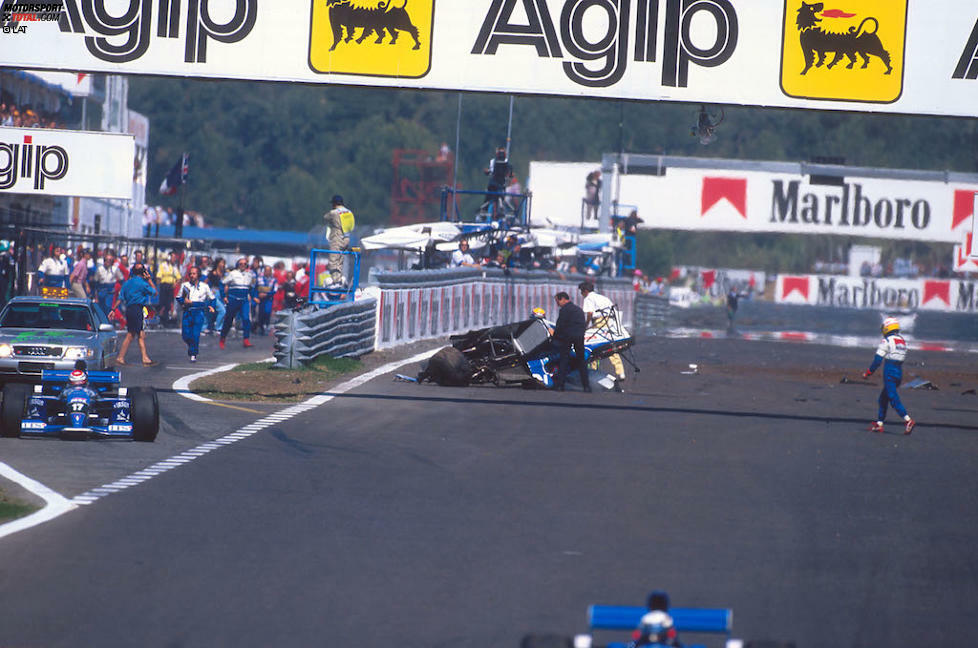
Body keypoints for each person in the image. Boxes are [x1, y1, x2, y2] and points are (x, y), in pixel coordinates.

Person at [863, 317, 915, 434]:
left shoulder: (886, 341)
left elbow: (877, 360)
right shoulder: (902, 341)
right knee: (883, 399)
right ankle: (879, 424)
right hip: (899, 371)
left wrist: (868, 372)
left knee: (892, 397)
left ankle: (908, 420)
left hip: (889, 371)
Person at [578, 281, 626, 392]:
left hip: (600, 322)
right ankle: (620, 372)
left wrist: (586, 326)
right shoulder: (603, 298)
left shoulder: (588, 298)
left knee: (594, 345)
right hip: (610, 321)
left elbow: (589, 314)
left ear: (585, 291)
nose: (581, 294)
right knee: (611, 346)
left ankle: (593, 370)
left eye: (581, 292)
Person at [117, 263, 157, 366]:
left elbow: (121, 297)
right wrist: (149, 280)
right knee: (134, 334)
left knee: (138, 333)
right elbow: (154, 292)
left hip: (129, 309)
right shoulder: (143, 283)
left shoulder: (127, 283)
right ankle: (122, 357)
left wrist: (113, 308)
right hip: (137, 308)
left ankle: (144, 357)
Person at [552, 291, 590, 392]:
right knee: (581, 361)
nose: (557, 304)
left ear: (563, 299)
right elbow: (583, 324)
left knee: (564, 360)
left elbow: (560, 325)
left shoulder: (564, 310)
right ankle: (586, 386)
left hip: (567, 337)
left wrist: (554, 338)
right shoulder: (578, 310)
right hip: (579, 337)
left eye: (557, 301)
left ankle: (560, 385)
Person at [176, 265, 215, 362]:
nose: (192, 276)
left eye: (194, 274)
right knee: (186, 335)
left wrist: (211, 306)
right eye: (190, 274)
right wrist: (183, 302)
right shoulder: (185, 285)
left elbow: (212, 298)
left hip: (198, 312)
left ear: (198, 275)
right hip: (187, 312)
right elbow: (178, 297)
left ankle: (193, 354)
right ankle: (192, 347)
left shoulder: (204, 286)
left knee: (195, 334)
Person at [220, 257, 258, 349]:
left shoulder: (250, 275)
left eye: (244, 264)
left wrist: (254, 297)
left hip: (244, 300)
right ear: (238, 265)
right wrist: (224, 296)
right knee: (229, 320)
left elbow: (252, 288)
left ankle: (246, 340)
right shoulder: (232, 274)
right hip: (233, 300)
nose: (243, 265)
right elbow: (222, 283)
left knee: (246, 319)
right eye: (241, 264)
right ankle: (223, 337)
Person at [323, 194, 355, 286]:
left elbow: (325, 217)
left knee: (333, 260)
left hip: (337, 237)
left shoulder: (334, 213)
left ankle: (336, 281)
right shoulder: (349, 212)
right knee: (340, 260)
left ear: (334, 204)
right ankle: (339, 278)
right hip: (346, 238)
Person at [483, 146, 512, 216]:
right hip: (493, 184)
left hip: (501, 185)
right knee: (490, 198)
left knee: (501, 198)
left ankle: (500, 210)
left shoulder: (506, 162)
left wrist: (509, 175)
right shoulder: (493, 161)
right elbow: (489, 170)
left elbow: (509, 173)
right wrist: (487, 171)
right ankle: (486, 211)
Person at [156, 250, 182, 327]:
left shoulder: (174, 267)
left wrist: (176, 284)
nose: (174, 259)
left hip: (171, 286)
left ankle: (165, 320)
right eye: (173, 257)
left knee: (168, 304)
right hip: (164, 285)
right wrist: (157, 286)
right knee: (162, 303)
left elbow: (179, 278)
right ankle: (161, 320)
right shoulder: (163, 265)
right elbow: (159, 276)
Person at [94, 253, 123, 318]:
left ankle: (108, 321)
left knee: (108, 307)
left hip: (110, 291)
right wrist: (96, 296)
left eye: (110, 260)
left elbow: (121, 279)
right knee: (100, 308)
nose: (108, 262)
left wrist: (119, 290)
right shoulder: (100, 269)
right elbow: (95, 283)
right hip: (101, 290)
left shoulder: (115, 269)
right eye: (107, 260)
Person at [255, 265, 278, 335]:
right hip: (260, 300)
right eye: (266, 270)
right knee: (260, 313)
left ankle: (266, 325)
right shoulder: (259, 279)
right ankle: (260, 326)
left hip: (268, 300)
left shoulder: (274, 280)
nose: (267, 272)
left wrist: (266, 294)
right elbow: (254, 288)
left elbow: (275, 290)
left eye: (269, 271)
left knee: (267, 312)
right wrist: (256, 296)